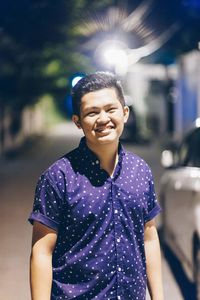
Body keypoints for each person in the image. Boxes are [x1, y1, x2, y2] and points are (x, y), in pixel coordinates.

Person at [29, 71, 164, 300]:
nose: (103, 119)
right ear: (78, 122)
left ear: (125, 113)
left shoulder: (141, 172)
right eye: (92, 112)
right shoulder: (58, 177)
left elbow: (149, 237)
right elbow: (42, 251)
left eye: (110, 109)